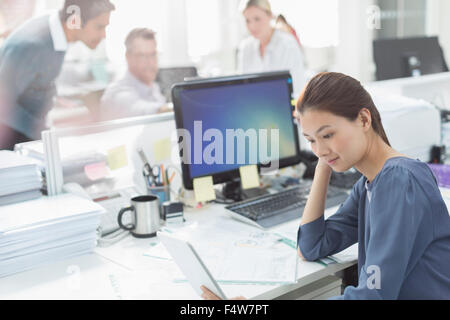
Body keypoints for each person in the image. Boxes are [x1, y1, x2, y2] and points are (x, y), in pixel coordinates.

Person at [201, 72, 450, 300]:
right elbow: (311, 246)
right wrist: (323, 165)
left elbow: (373, 297)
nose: (319, 149)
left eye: (327, 135)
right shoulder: (368, 184)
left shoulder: (399, 181)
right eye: (311, 140)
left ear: (364, 119)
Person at [0, 0, 115, 150]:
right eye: (99, 27)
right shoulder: (33, 46)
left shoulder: (58, 31)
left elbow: (39, 77)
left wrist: (55, 99)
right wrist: (44, 131)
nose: (104, 35)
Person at [237, 0, 306, 98]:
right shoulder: (245, 47)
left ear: (270, 15)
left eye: (257, 19)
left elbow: (297, 88)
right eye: (247, 21)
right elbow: (243, 87)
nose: (252, 26)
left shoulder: (287, 45)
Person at [100, 28, 171, 121]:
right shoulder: (117, 92)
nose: (150, 62)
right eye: (142, 55)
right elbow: (137, 109)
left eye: (153, 54)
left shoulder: (152, 87)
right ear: (128, 57)